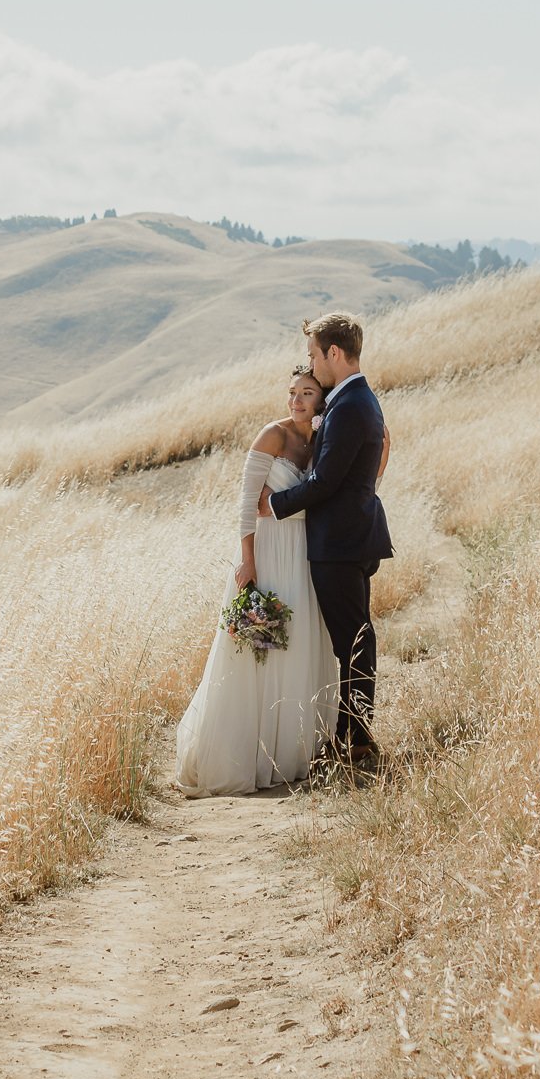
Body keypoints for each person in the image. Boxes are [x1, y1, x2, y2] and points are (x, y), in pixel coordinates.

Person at [173, 368, 334, 795]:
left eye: (307, 394)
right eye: (292, 393)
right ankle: (243, 756)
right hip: (264, 555)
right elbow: (247, 505)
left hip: (302, 556)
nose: (296, 401)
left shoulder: (323, 440)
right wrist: (247, 562)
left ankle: (291, 753)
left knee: (296, 645)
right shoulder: (272, 436)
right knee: (256, 652)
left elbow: (328, 498)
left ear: (322, 400)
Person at [263, 312, 393, 768]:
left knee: (353, 641)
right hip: (351, 536)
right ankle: (350, 735)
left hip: (340, 542)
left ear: (333, 353)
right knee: (352, 640)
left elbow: (324, 481)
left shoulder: (352, 405)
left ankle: (358, 742)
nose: (311, 364)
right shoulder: (352, 401)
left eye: (313, 354)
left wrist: (274, 506)